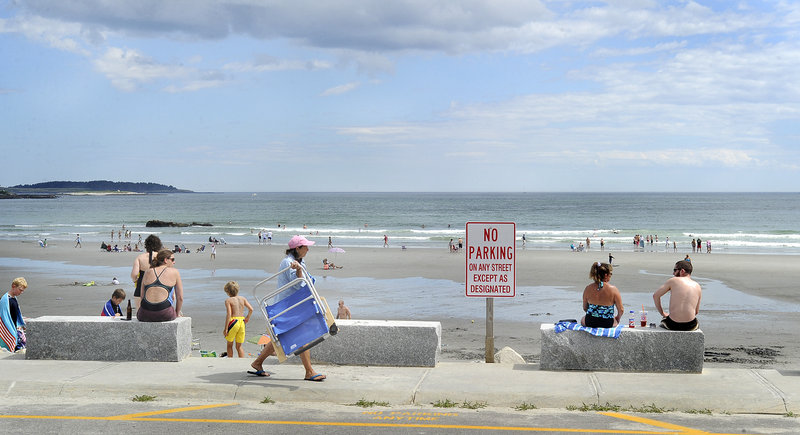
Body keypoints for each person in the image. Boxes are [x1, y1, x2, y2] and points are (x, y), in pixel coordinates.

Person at [249, 235, 326, 381]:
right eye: (305, 247)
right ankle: (309, 372)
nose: (308, 249)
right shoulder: (288, 262)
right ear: (297, 248)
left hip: (293, 304)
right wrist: (298, 270)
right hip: (288, 306)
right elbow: (297, 283)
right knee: (303, 337)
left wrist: (300, 269)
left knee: (280, 338)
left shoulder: (299, 262)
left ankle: (257, 362)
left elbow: (305, 280)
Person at [653, 260, 702, 331]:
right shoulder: (697, 286)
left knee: (664, 320)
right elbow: (696, 312)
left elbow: (655, 296)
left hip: (673, 324)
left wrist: (663, 313)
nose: (673, 273)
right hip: (691, 325)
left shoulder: (673, 280)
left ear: (682, 271)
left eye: (675, 270)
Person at [137, 249, 183, 322]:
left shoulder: (147, 271)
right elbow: (180, 297)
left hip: (144, 314)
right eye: (172, 259)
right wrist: (177, 313)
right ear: (165, 260)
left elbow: (142, 295)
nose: (174, 262)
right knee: (171, 294)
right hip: (165, 313)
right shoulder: (175, 272)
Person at [580, 262, 623, 328]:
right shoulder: (613, 289)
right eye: (610, 274)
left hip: (590, 322)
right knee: (614, 321)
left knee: (583, 319)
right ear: (606, 275)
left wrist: (595, 313)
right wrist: (617, 318)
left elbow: (585, 308)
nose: (610, 276)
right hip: (607, 323)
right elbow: (621, 310)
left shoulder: (588, 288)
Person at [130, 235, 163, 310]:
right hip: (159, 289)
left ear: (146, 245)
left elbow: (134, 274)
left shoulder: (140, 257)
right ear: (159, 245)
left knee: (140, 315)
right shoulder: (161, 257)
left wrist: (135, 280)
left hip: (140, 289)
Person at [223, 281, 253, 358]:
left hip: (233, 322)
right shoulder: (243, 298)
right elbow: (251, 309)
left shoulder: (228, 300)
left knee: (229, 345)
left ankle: (230, 361)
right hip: (242, 322)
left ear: (228, 291)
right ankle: (242, 362)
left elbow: (229, 314)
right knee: (239, 346)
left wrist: (226, 329)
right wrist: (247, 317)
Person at [1, 277, 28, 352]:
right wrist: (12, 331)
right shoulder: (5, 300)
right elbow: (3, 318)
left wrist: (21, 323)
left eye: (23, 291)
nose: (21, 292)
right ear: (13, 286)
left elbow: (16, 313)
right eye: (20, 290)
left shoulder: (14, 298)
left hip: (15, 327)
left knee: (21, 346)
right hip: (9, 328)